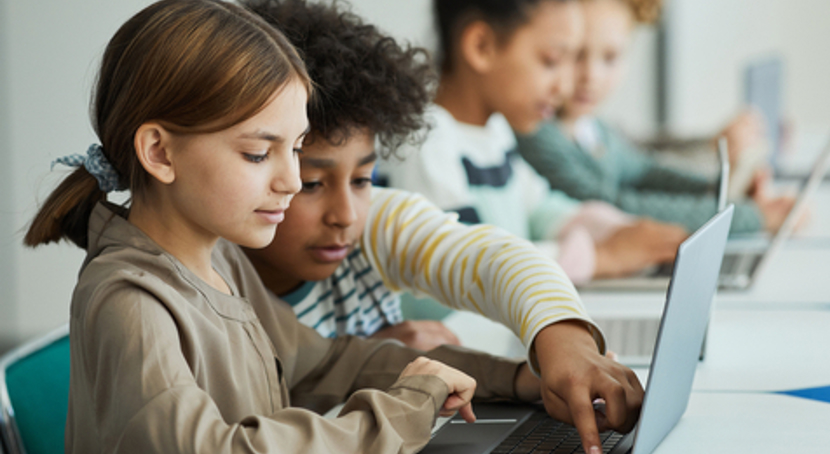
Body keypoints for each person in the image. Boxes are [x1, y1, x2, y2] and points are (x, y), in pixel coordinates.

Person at [23, 1, 550, 452]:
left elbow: (323, 364)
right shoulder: (132, 303)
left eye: (295, 150)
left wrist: (516, 379)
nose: (292, 181)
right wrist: (403, 408)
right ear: (160, 152)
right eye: (258, 154)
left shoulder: (220, 260)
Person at [242, 5, 642, 453]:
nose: (345, 214)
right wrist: (365, 360)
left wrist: (566, 341)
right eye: (312, 184)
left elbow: (489, 258)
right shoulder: (220, 280)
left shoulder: (375, 223)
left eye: (362, 180)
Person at [375, 1, 650, 452]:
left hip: (492, 333)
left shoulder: (496, 133)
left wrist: (618, 229)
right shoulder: (426, 139)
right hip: (457, 340)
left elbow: (543, 207)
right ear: (481, 46)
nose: (565, 86)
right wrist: (597, 257)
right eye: (551, 60)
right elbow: (469, 261)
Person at [515, 0, 796, 234]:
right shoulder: (535, 133)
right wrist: (751, 217)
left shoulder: (592, 128)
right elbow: (616, 207)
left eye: (610, 57)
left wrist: (718, 193)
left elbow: (646, 171)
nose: (591, 76)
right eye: (575, 55)